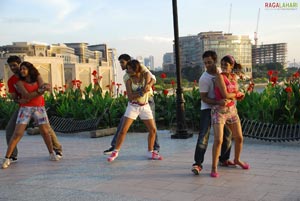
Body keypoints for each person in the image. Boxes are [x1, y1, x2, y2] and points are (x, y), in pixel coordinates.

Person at [2, 61, 60, 169]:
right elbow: (27, 95)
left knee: (46, 132)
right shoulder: (18, 82)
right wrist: (40, 90)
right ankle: (7, 158)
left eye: (24, 69)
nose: (22, 71)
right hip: (25, 109)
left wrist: (42, 88)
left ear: (29, 70)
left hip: (39, 108)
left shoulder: (37, 76)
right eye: (21, 69)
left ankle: (52, 153)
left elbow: (45, 87)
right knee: (17, 133)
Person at [103, 54, 160, 155]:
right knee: (123, 125)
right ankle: (115, 147)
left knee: (152, 126)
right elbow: (130, 94)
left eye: (122, 62)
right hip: (134, 103)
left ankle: (155, 148)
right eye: (120, 62)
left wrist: (147, 86)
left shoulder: (140, 67)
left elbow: (153, 78)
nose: (121, 65)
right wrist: (140, 92)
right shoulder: (127, 76)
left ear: (129, 62)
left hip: (147, 100)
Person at [191, 50, 234, 175]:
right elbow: (204, 98)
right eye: (205, 63)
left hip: (222, 109)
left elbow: (230, 85)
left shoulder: (222, 71)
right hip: (208, 108)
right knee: (203, 135)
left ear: (215, 61)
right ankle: (198, 164)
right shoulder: (204, 79)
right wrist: (218, 102)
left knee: (228, 133)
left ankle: (224, 159)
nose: (207, 65)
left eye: (209, 62)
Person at [210, 55, 250, 178]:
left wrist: (238, 95)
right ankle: (214, 166)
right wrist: (237, 94)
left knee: (239, 138)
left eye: (226, 65)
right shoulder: (219, 77)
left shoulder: (234, 77)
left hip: (232, 110)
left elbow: (232, 95)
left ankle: (237, 159)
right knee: (218, 140)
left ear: (231, 66)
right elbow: (225, 94)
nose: (223, 67)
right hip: (219, 111)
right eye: (221, 65)